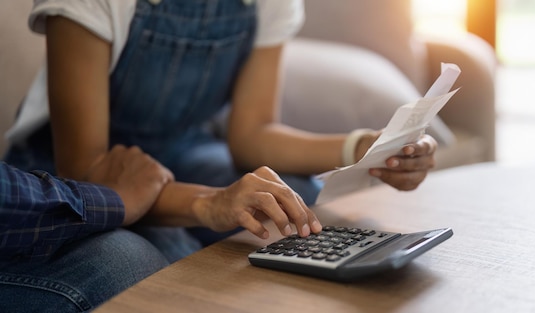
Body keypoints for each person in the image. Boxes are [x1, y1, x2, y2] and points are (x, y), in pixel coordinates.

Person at [4, 0, 436, 252]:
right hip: (80, 173)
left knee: (299, 200)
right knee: (165, 252)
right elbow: (85, 169)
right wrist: (216, 201)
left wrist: (366, 149)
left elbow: (252, 135)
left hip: (184, 148)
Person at [0, 144, 321, 312]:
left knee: (293, 190)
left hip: (175, 154)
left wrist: (361, 145)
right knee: (128, 261)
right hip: (69, 180)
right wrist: (119, 199)